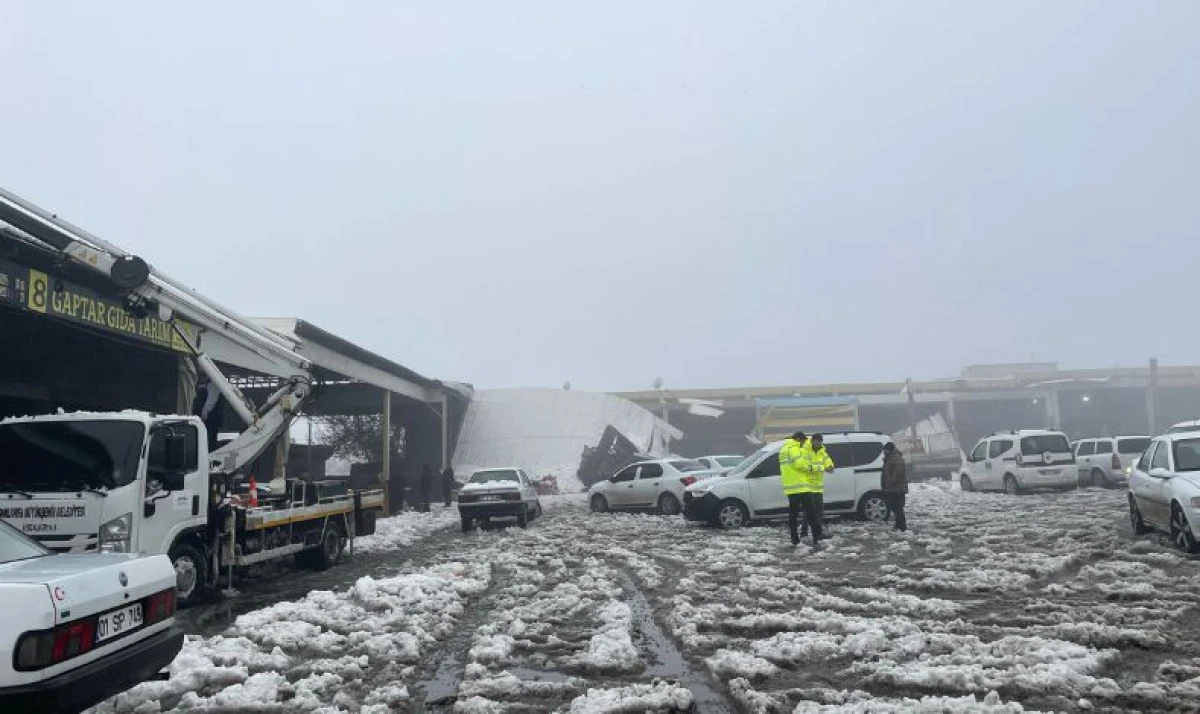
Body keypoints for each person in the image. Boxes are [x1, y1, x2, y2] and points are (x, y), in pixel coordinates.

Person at [802, 434, 835, 545]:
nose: (818, 443)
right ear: (812, 441)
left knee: (819, 511)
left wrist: (830, 466)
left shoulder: (822, 451)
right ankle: (804, 532)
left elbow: (828, 461)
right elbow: (807, 467)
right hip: (808, 487)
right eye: (816, 441)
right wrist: (822, 468)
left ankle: (818, 533)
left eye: (820, 441)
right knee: (809, 511)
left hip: (818, 488)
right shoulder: (806, 451)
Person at [779, 431, 810, 546]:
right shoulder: (794, 448)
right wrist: (809, 467)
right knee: (810, 510)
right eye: (802, 441)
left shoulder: (783, 449)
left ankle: (794, 538)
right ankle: (815, 535)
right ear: (798, 439)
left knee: (793, 514)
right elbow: (800, 465)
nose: (802, 444)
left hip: (790, 487)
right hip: (800, 486)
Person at [880, 442, 909, 531]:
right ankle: (898, 524)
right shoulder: (890, 458)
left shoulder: (895, 458)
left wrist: (890, 482)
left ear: (889, 449)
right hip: (893, 487)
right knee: (895, 507)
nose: (884, 452)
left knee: (898, 507)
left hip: (897, 488)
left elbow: (898, 472)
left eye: (885, 450)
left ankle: (902, 526)